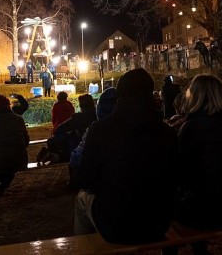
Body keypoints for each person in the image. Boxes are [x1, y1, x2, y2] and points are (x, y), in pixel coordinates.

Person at [74, 68, 178, 245]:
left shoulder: (100, 130)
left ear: (120, 95)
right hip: (157, 224)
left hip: (117, 226)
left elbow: (84, 179)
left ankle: (83, 247)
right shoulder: (167, 132)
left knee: (81, 198)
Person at [169, 75, 222, 255]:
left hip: (205, 212)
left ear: (195, 96)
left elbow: (180, 171)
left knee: (170, 201)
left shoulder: (191, 129)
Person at [0, 94, 30, 196]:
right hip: (19, 159)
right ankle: (2, 183)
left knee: (2, 165)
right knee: (10, 165)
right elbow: (26, 140)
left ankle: (1, 183)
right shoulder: (18, 119)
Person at [37, 94, 97, 164]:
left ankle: (57, 156)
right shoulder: (99, 115)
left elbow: (58, 128)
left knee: (56, 139)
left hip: (81, 145)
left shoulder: (79, 118)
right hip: (96, 146)